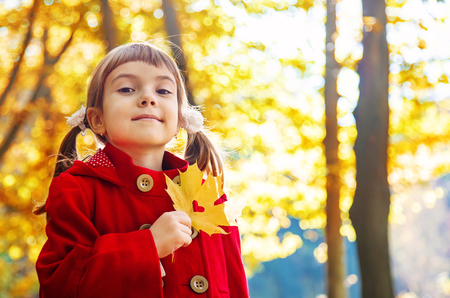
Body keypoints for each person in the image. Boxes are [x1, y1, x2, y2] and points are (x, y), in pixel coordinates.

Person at [34, 42, 249, 298]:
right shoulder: (77, 189)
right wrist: (148, 246)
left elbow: (235, 286)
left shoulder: (209, 199)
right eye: (126, 89)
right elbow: (60, 286)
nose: (149, 98)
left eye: (163, 90)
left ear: (180, 119)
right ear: (97, 119)